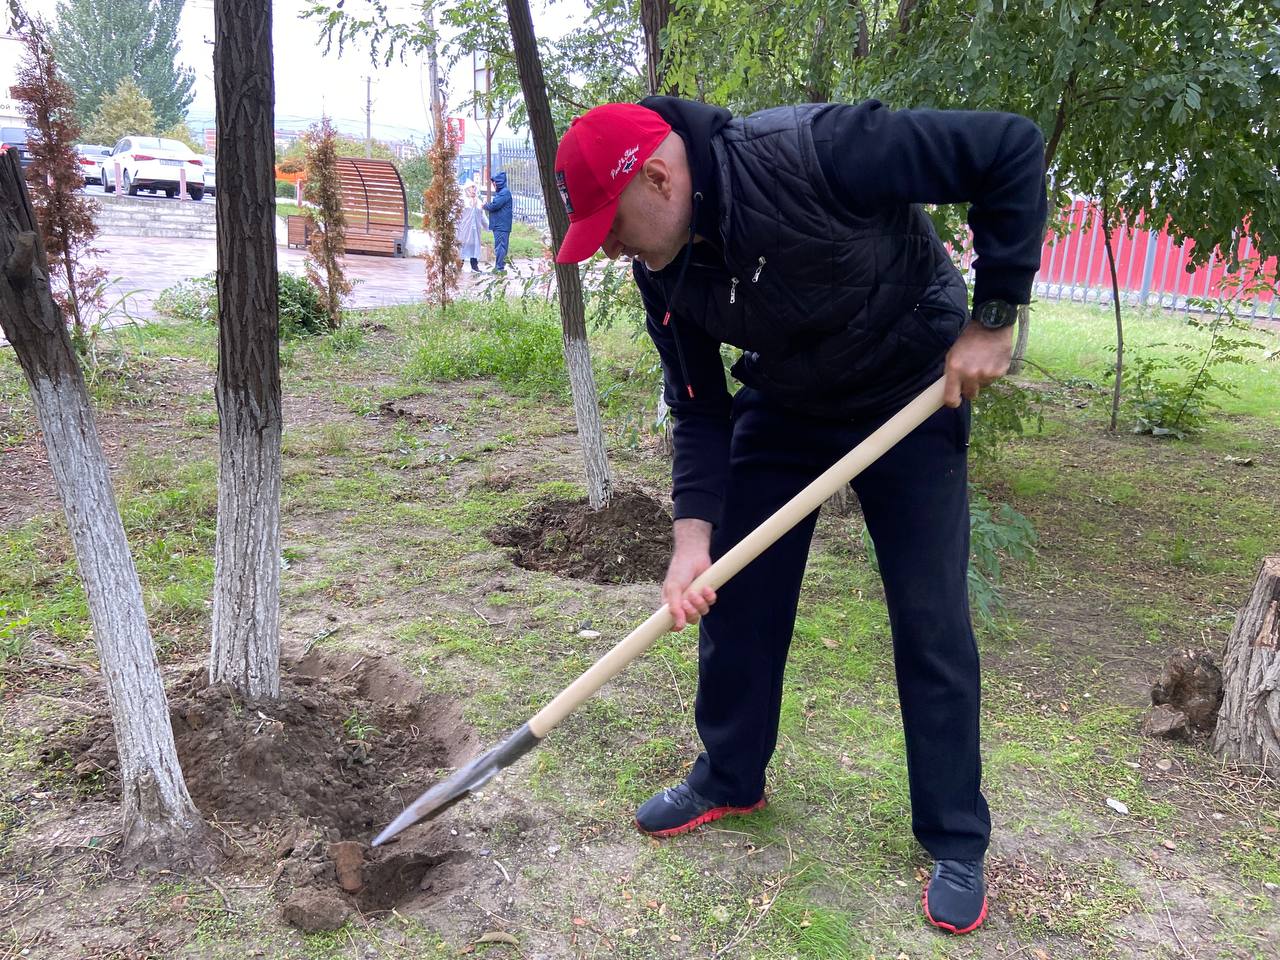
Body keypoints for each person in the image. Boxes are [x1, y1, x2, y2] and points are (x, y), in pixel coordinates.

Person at [552, 98, 1047, 936]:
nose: (611, 249)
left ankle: (956, 837)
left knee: (929, 617)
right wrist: (691, 540)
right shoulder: (662, 269)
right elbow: (699, 405)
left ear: (661, 179)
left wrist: (995, 315)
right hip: (788, 399)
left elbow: (1010, 147)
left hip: (909, 388)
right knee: (735, 592)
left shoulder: (817, 151)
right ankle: (730, 776)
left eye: (613, 226)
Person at [483, 171, 513, 273]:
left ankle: (499, 268)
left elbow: (494, 206)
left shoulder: (504, 193)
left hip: (501, 226)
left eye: (494, 183)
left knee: (500, 247)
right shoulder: (502, 192)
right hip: (500, 225)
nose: (493, 185)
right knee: (501, 246)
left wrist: (485, 205)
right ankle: (499, 267)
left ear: (499, 183)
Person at [458, 182, 487, 272]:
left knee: (475, 246)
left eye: (475, 188)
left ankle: (474, 266)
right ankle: (459, 265)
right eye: (471, 188)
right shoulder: (462, 201)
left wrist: (488, 226)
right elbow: (457, 215)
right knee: (463, 246)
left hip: (475, 230)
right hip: (464, 229)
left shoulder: (479, 202)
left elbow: (482, 216)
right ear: (467, 190)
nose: (473, 190)